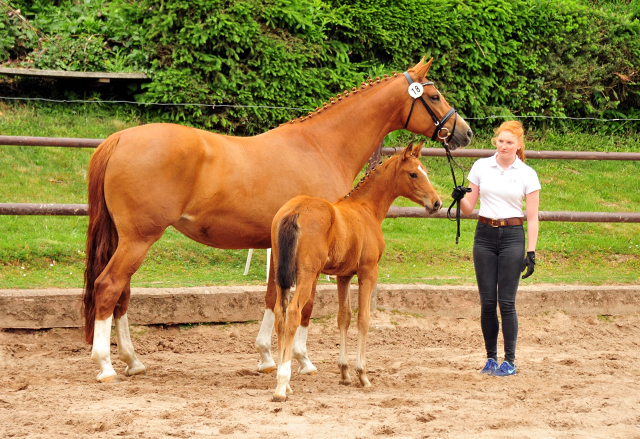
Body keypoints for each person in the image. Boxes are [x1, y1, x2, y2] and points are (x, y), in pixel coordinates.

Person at [451, 120, 540, 377]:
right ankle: (490, 358)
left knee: (506, 302)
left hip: (513, 235)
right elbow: (469, 207)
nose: (504, 146)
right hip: (484, 236)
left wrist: (530, 253)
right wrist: (459, 197)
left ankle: (509, 360)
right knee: (487, 302)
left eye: (509, 142)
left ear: (519, 145)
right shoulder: (481, 166)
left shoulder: (527, 174)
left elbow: (532, 217)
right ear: (495, 142)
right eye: (500, 141)